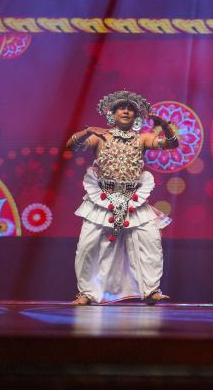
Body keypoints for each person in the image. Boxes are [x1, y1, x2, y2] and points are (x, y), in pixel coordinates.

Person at [66, 90, 178, 305]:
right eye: (121, 108)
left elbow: (171, 144)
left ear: (136, 116)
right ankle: (85, 293)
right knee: (87, 246)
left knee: (151, 242)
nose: (126, 111)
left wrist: (165, 126)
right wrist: (87, 131)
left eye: (131, 109)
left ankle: (151, 290)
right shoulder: (100, 136)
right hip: (101, 199)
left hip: (134, 199)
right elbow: (71, 147)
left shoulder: (142, 138)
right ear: (112, 113)